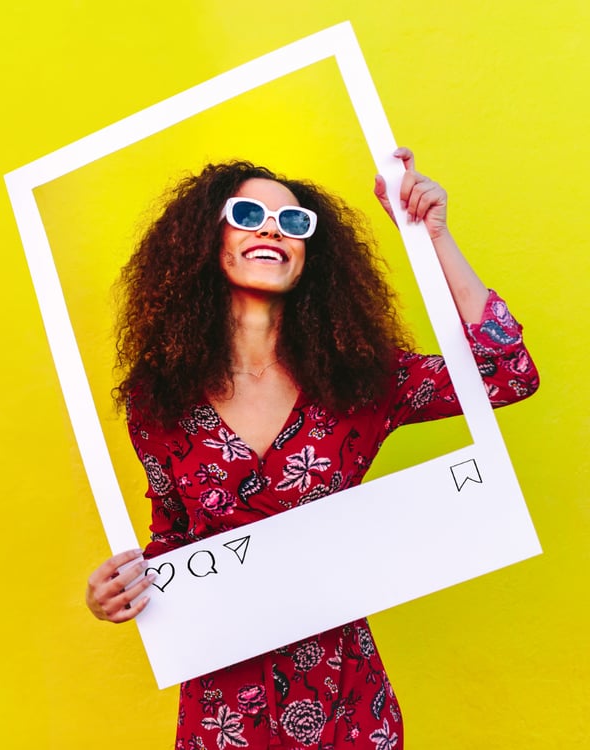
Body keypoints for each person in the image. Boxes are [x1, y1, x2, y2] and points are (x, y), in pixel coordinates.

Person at [85, 149, 539, 749]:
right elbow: (173, 538)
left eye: (295, 223)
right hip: (225, 706)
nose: (273, 228)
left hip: (345, 696)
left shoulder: (358, 382)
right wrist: (120, 591)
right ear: (206, 237)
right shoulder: (157, 400)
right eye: (248, 213)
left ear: (310, 259)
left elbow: (507, 372)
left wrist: (434, 240)